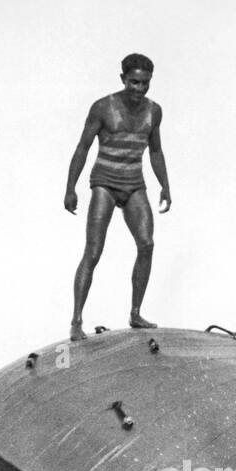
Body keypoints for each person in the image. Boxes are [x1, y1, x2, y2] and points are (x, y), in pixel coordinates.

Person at [64, 52, 172, 342]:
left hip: (134, 182)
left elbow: (156, 151)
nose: (139, 89)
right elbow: (83, 147)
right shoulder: (103, 107)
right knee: (94, 251)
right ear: (123, 79)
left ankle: (135, 313)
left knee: (147, 244)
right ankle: (76, 320)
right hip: (105, 182)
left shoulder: (154, 111)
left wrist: (165, 185)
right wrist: (70, 187)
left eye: (145, 83)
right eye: (134, 82)